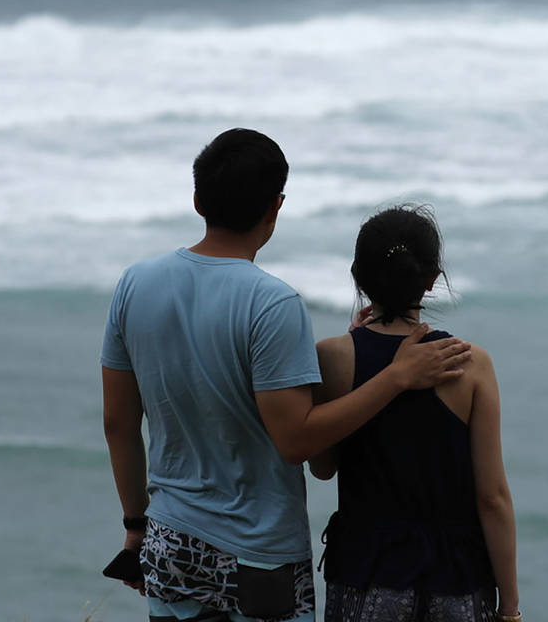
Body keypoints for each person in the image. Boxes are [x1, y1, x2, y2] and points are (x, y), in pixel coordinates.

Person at [100, 130, 472, 622]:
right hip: (258, 555)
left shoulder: (134, 285)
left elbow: (118, 424)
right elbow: (296, 440)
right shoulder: (273, 304)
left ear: (197, 200)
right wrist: (396, 376)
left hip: (169, 541)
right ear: (275, 209)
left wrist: (134, 523)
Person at [309, 205, 521, 622]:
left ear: (358, 277)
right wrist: (510, 606)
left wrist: (358, 347)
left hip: (364, 571)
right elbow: (492, 497)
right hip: (456, 577)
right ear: (431, 281)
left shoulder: (332, 358)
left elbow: (322, 467)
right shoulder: (470, 363)